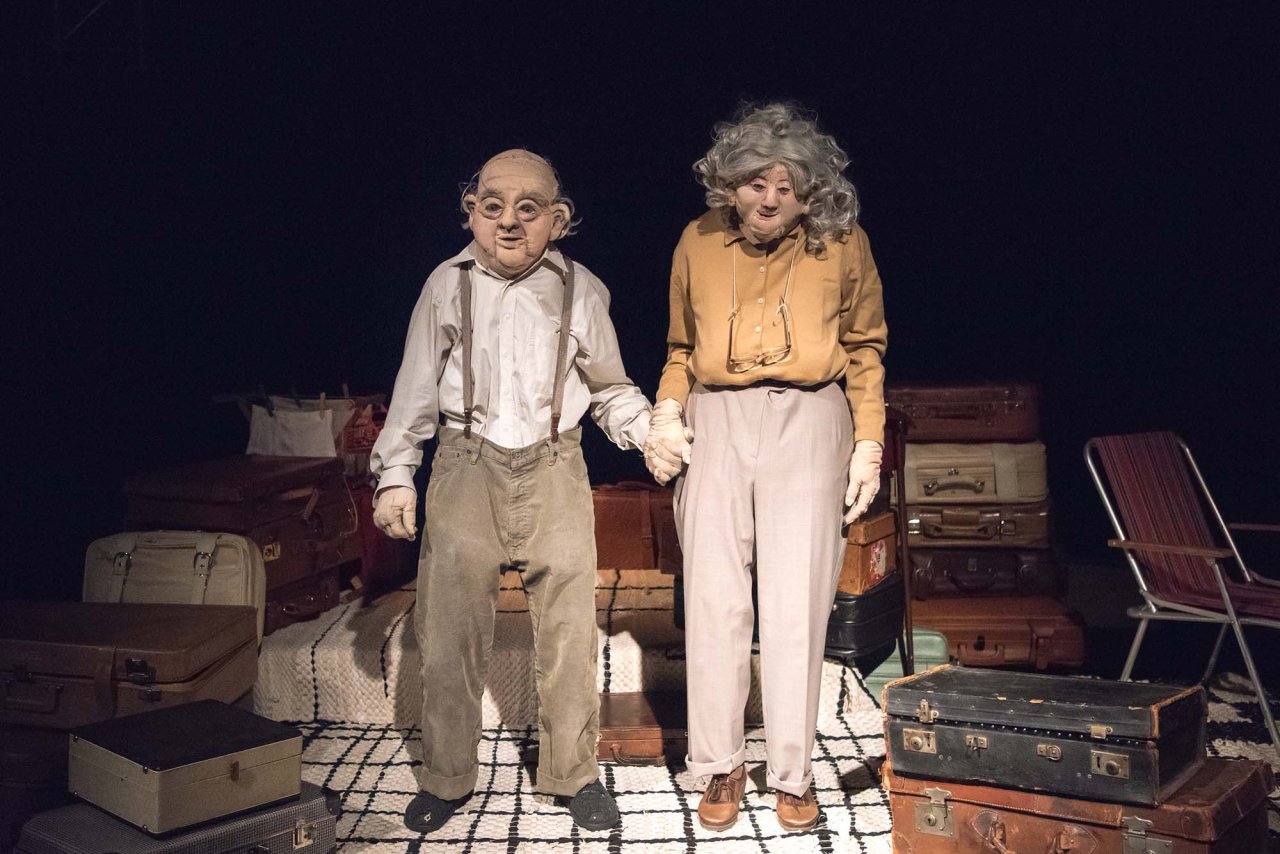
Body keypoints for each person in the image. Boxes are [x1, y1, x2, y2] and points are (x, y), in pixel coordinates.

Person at [371, 149, 651, 834]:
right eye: (492, 205)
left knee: (569, 632)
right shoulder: (448, 283)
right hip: (466, 464)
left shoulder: (581, 288)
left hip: (555, 465)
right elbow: (414, 386)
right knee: (450, 630)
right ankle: (446, 776)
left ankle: (572, 773)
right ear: (471, 212)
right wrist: (396, 474)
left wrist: (652, 434)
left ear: (558, 219)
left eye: (528, 209)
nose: (508, 221)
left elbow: (610, 387)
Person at [643, 103, 888, 833]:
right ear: (730, 182)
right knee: (714, 599)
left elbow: (866, 348)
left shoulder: (843, 242)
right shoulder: (697, 239)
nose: (771, 198)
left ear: (812, 192)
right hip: (716, 418)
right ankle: (720, 764)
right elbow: (681, 349)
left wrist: (868, 443)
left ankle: (790, 773)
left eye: (788, 186)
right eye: (756, 183)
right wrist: (665, 412)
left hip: (809, 419)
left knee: (796, 602)